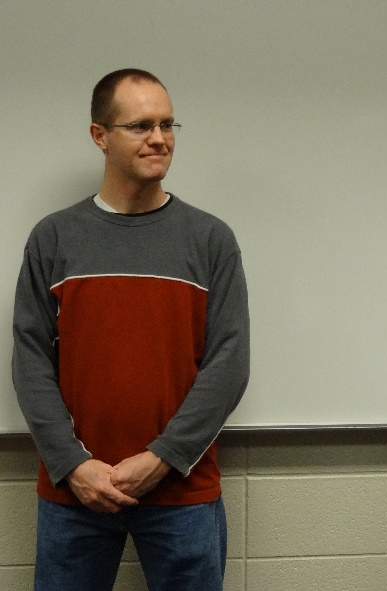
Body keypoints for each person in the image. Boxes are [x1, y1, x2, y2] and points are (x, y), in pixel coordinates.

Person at [12, 69, 250, 590]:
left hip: (182, 490)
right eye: (141, 125)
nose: (160, 139)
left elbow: (229, 363)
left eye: (168, 124)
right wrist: (73, 464)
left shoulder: (211, 240)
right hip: (74, 491)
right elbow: (30, 358)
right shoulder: (54, 238)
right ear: (100, 135)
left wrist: (162, 457)